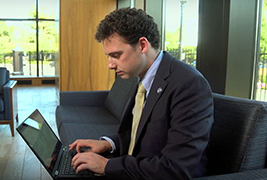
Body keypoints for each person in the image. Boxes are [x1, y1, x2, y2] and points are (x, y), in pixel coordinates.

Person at [69, 7, 214, 180]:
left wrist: (106, 166)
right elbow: (141, 133)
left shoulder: (189, 84)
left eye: (116, 55)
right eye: (108, 56)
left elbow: (175, 168)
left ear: (142, 45)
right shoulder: (143, 78)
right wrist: (108, 144)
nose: (110, 65)